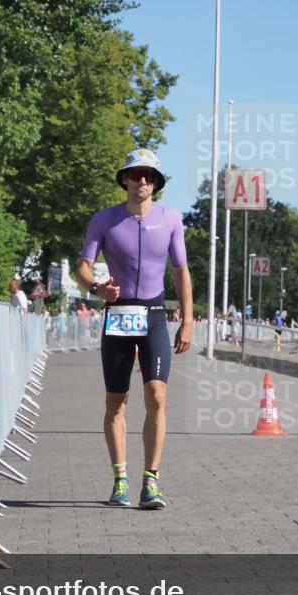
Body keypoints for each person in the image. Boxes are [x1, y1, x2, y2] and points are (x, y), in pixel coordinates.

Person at [77, 148, 192, 510]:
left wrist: (187, 321)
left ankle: (151, 482)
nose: (143, 180)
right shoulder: (105, 220)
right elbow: (82, 267)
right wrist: (97, 289)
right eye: (136, 174)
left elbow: (180, 271)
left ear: (156, 183)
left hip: (155, 313)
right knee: (116, 402)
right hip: (118, 313)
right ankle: (120, 480)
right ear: (124, 178)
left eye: (150, 176)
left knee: (157, 395)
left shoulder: (171, 218)